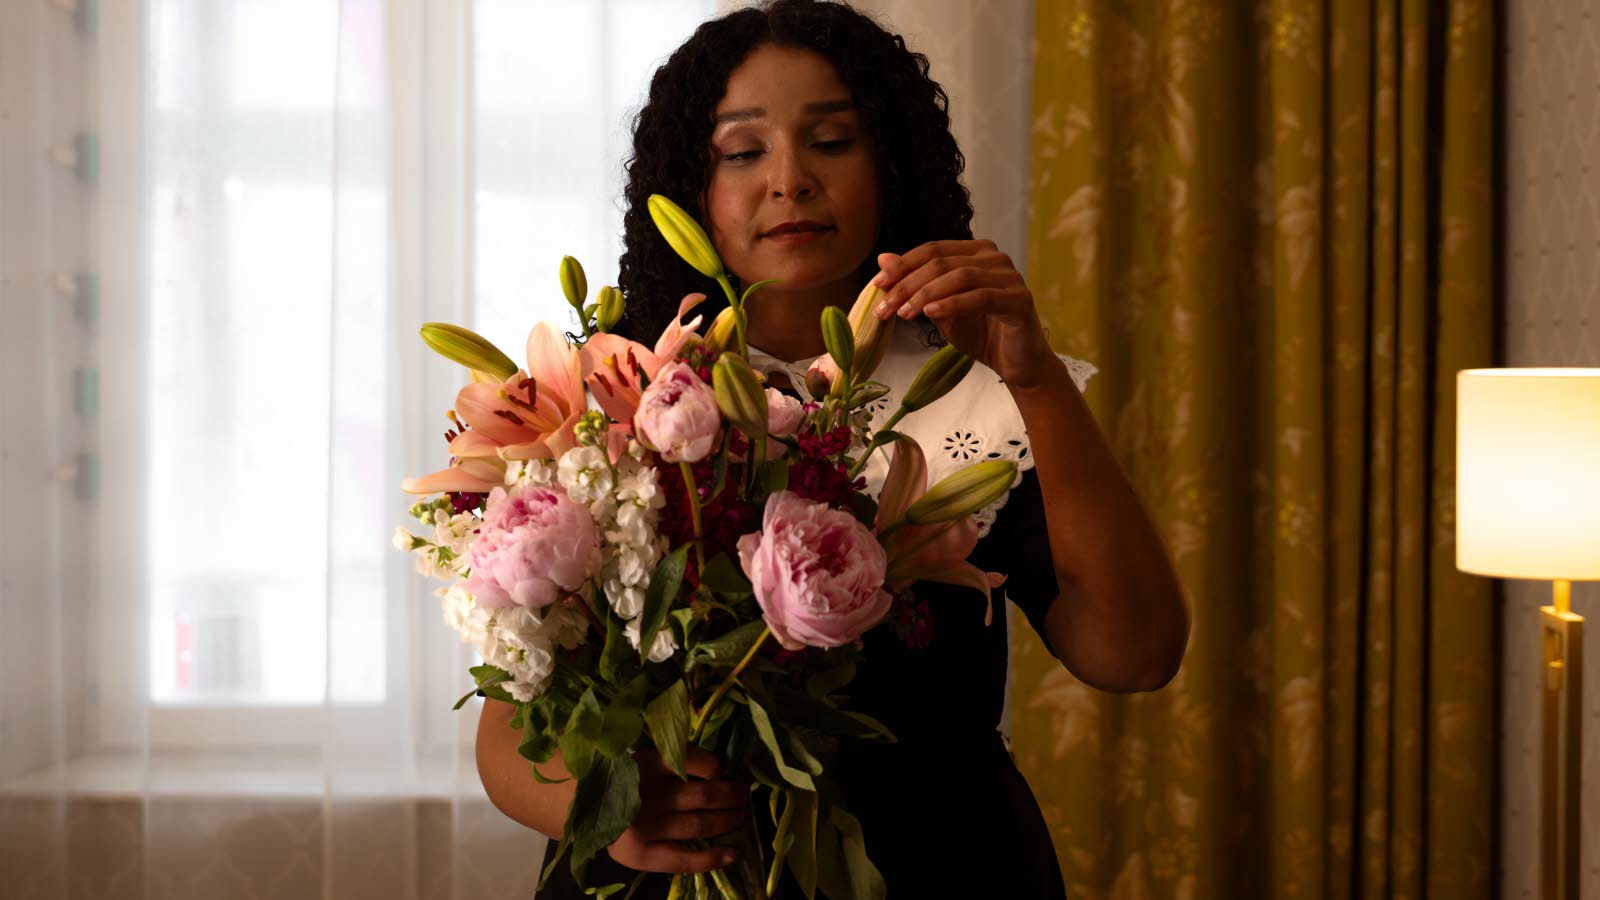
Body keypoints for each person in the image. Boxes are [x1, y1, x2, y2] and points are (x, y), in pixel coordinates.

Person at [475, 1, 1191, 896]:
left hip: (935, 871)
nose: (791, 180)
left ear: (890, 164)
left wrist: (1038, 380)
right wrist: (607, 806)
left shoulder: (979, 396)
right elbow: (504, 739)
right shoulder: (605, 402)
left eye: (832, 141)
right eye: (743, 152)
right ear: (688, 187)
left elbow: (1135, 654)